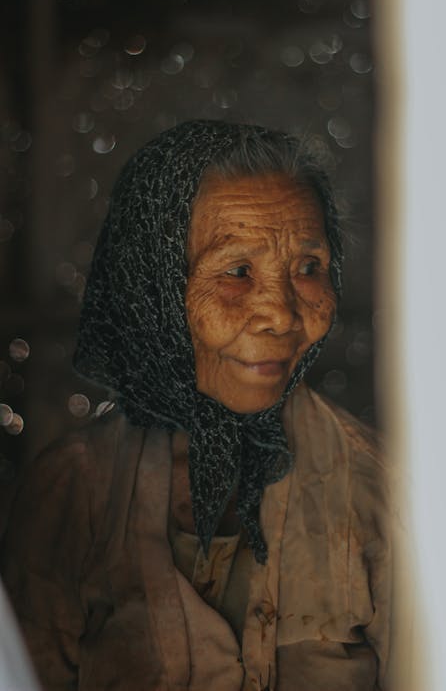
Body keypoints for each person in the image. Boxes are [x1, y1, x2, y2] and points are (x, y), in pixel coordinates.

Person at [1, 120, 393, 690]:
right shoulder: (76, 493)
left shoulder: (379, 489)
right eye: (237, 272)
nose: (280, 314)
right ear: (155, 289)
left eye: (309, 268)